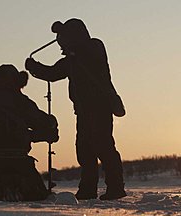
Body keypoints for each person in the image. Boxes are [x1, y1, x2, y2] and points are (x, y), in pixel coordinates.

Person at [25, 18, 126, 200]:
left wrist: (67, 48)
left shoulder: (93, 47)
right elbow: (52, 73)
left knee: (103, 147)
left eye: (62, 38)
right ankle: (88, 189)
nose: (60, 43)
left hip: (100, 108)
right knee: (85, 150)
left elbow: (81, 57)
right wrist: (35, 68)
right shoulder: (72, 58)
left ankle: (116, 188)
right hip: (82, 111)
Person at [0, 64, 59, 201]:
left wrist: (30, 135)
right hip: (17, 160)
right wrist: (50, 126)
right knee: (39, 197)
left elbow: (8, 130)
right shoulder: (17, 99)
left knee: (5, 169)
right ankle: (18, 188)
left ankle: (1, 184)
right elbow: (39, 121)